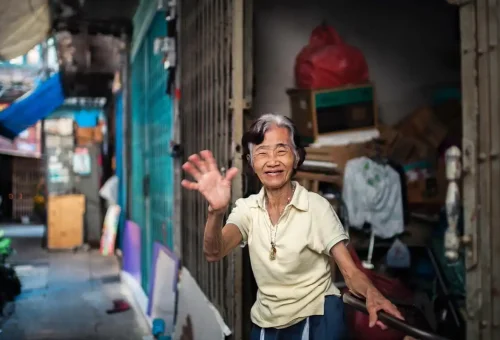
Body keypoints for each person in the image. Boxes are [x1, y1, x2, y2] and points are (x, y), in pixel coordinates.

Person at [181, 114, 403, 340]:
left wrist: (371, 293)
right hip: (266, 323)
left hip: (315, 320)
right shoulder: (248, 209)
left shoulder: (316, 207)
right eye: (262, 153)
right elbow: (214, 251)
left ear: (296, 157)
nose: (272, 161)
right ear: (251, 162)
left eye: (281, 150)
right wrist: (215, 213)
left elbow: (350, 271)